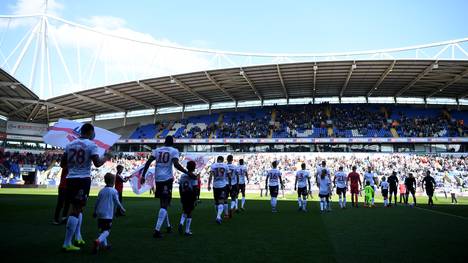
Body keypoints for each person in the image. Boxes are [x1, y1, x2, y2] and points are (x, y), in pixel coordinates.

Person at [61, 123, 107, 252]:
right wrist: (107, 157)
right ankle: (67, 243)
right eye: (93, 132)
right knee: (76, 210)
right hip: (82, 180)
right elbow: (97, 163)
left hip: (70, 179)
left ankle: (77, 236)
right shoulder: (91, 144)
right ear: (90, 131)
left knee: (77, 208)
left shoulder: (69, 144)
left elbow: (62, 163)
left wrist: (73, 164)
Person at [140, 135, 192, 238]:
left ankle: (168, 226)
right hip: (167, 179)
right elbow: (176, 165)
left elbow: (148, 162)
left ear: (164, 142)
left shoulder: (157, 150)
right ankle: (157, 230)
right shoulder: (174, 151)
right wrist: (187, 172)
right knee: (165, 204)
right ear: (172, 142)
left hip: (158, 178)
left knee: (164, 204)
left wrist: (143, 175)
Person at [92, 173, 125, 254]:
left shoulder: (101, 191)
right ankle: (98, 241)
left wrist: (95, 211)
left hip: (100, 213)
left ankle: (105, 245)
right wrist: (122, 208)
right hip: (107, 213)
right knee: (107, 231)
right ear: (113, 181)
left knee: (101, 230)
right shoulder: (114, 191)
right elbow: (117, 201)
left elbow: (97, 202)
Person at [178, 161, 199, 236]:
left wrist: (181, 196)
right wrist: (196, 198)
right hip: (190, 195)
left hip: (183, 194)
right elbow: (195, 188)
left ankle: (181, 223)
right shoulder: (194, 176)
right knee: (189, 212)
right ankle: (187, 230)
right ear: (194, 167)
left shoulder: (182, 176)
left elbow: (180, 187)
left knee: (185, 210)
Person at [208, 156, 229, 224]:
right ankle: (218, 216)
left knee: (216, 202)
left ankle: (218, 216)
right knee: (221, 201)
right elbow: (229, 175)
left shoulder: (213, 165)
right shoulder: (225, 165)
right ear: (222, 160)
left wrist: (208, 185)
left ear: (217, 160)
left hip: (215, 185)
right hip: (222, 185)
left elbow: (210, 175)